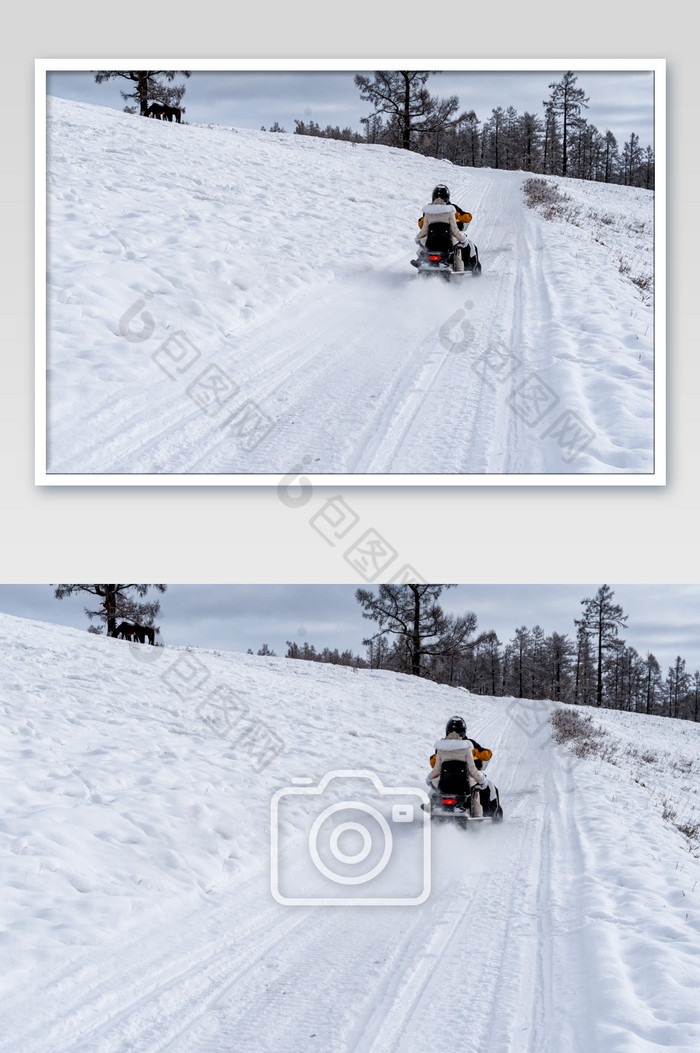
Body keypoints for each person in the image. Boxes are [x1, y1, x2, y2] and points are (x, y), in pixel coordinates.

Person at [427, 715, 489, 817]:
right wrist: (482, 780)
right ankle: (478, 814)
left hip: (445, 784)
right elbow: (472, 769)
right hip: (463, 784)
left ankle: (429, 809)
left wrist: (429, 778)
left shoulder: (441, 748)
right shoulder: (466, 748)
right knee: (476, 791)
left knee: (433, 790)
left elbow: (437, 769)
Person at [414, 185, 472, 272]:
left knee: (422, 248)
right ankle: (461, 269)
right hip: (447, 243)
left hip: (431, 242)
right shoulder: (450, 210)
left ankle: (421, 261)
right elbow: (455, 230)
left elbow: (424, 230)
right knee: (459, 248)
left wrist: (417, 238)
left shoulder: (428, 211)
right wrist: (464, 239)